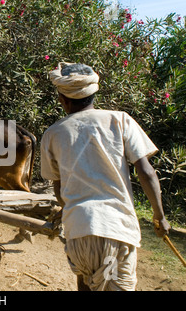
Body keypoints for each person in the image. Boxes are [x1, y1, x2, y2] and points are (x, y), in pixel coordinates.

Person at [40, 62, 171, 291]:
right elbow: (146, 171)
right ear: (93, 92)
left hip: (78, 232)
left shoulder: (53, 134)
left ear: (63, 99)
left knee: (86, 284)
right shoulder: (119, 120)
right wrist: (159, 216)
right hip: (115, 230)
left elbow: (59, 192)